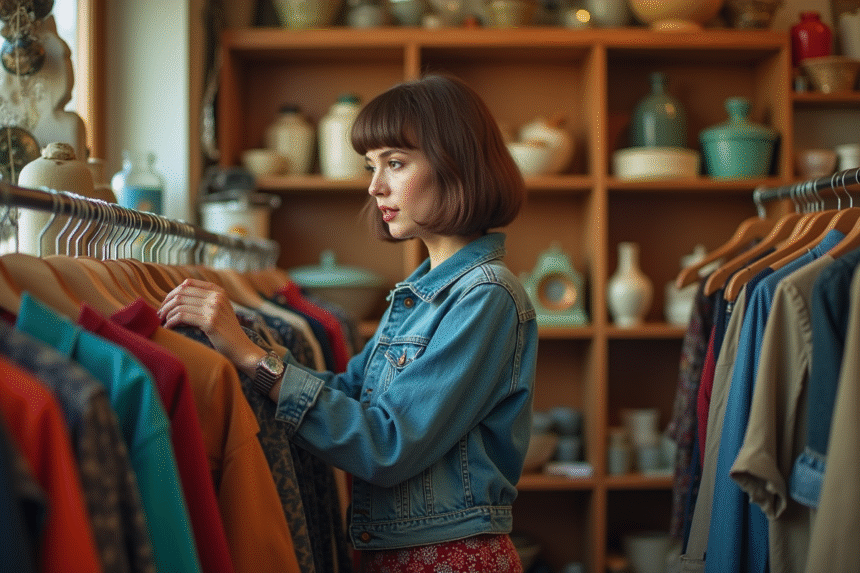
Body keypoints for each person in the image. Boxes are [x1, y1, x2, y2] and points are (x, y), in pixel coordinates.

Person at [157, 74, 539, 572]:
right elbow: (349, 392)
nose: (374, 186)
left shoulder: (485, 297)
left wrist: (255, 358)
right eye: (371, 166)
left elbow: (386, 444)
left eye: (395, 164)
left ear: (455, 164)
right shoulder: (420, 294)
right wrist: (247, 345)